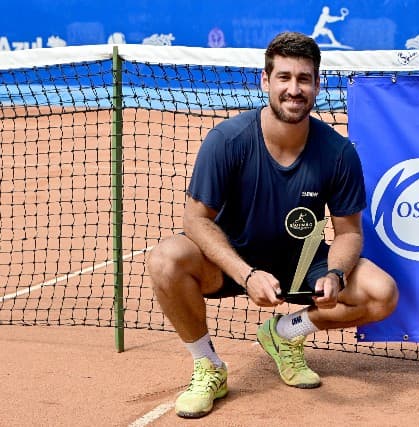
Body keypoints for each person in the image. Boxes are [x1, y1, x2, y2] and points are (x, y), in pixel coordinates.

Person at [147, 31, 398, 419]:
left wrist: (335, 272)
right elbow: (194, 222)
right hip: (231, 264)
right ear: (266, 81)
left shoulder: (338, 152)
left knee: (382, 293)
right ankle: (209, 365)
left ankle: (285, 333)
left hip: (302, 266)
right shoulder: (227, 140)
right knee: (166, 259)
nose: (293, 89)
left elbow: (349, 233)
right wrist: (246, 275)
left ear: (317, 85)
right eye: (284, 77)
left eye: (303, 79)